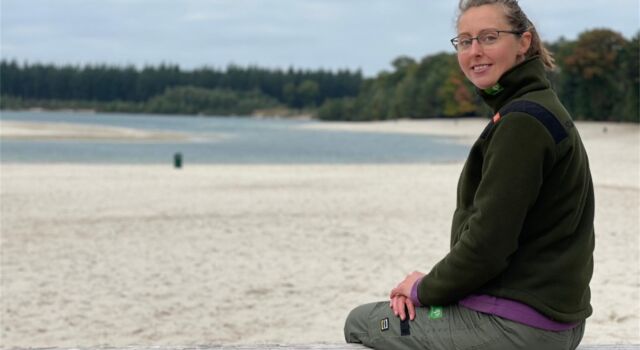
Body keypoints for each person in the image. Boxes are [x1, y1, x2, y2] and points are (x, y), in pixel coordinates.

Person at [344, 1, 595, 349]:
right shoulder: (535, 106)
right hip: (548, 318)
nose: (474, 51)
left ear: (524, 42)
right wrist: (433, 286)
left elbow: (487, 245)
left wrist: (422, 289)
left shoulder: (522, 122)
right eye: (464, 41)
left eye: (489, 38)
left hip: (516, 327)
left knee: (361, 322)